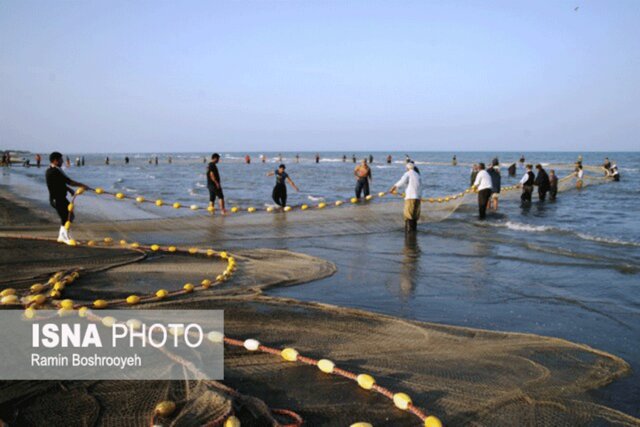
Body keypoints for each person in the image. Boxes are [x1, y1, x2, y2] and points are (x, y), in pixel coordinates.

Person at [45, 152, 87, 244]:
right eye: (61, 159)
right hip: (57, 199)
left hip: (58, 198)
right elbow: (69, 181)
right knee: (67, 217)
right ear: (55, 160)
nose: (62, 161)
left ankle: (62, 236)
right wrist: (82, 185)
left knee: (68, 215)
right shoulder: (54, 171)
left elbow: (59, 183)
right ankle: (65, 236)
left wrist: (69, 190)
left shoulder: (53, 169)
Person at [389, 162, 422, 233]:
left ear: (407, 168)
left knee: (408, 215)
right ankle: (414, 232)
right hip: (418, 198)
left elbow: (401, 181)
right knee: (414, 216)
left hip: (410, 197)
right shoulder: (417, 175)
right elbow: (420, 187)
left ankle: (409, 233)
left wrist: (393, 188)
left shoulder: (408, 173)